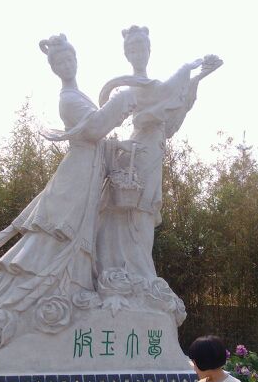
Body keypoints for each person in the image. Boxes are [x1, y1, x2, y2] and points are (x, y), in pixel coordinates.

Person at [0, 34, 138, 367]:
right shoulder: (68, 99)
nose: (66, 65)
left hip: (88, 174)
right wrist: (122, 98)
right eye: (59, 62)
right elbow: (95, 128)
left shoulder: (78, 95)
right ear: (54, 68)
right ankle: (23, 302)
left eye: (69, 59)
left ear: (76, 60)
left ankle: (71, 293)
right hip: (76, 176)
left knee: (76, 238)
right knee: (57, 233)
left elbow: (98, 133)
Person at [95, 26, 222, 282]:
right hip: (137, 150)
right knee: (128, 204)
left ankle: (142, 270)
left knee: (147, 207)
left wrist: (198, 77)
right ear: (126, 54)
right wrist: (185, 70)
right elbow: (121, 116)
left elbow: (173, 106)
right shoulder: (131, 87)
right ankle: (120, 266)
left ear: (149, 50)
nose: (137, 53)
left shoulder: (156, 87)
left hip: (153, 149)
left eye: (141, 48)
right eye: (132, 50)